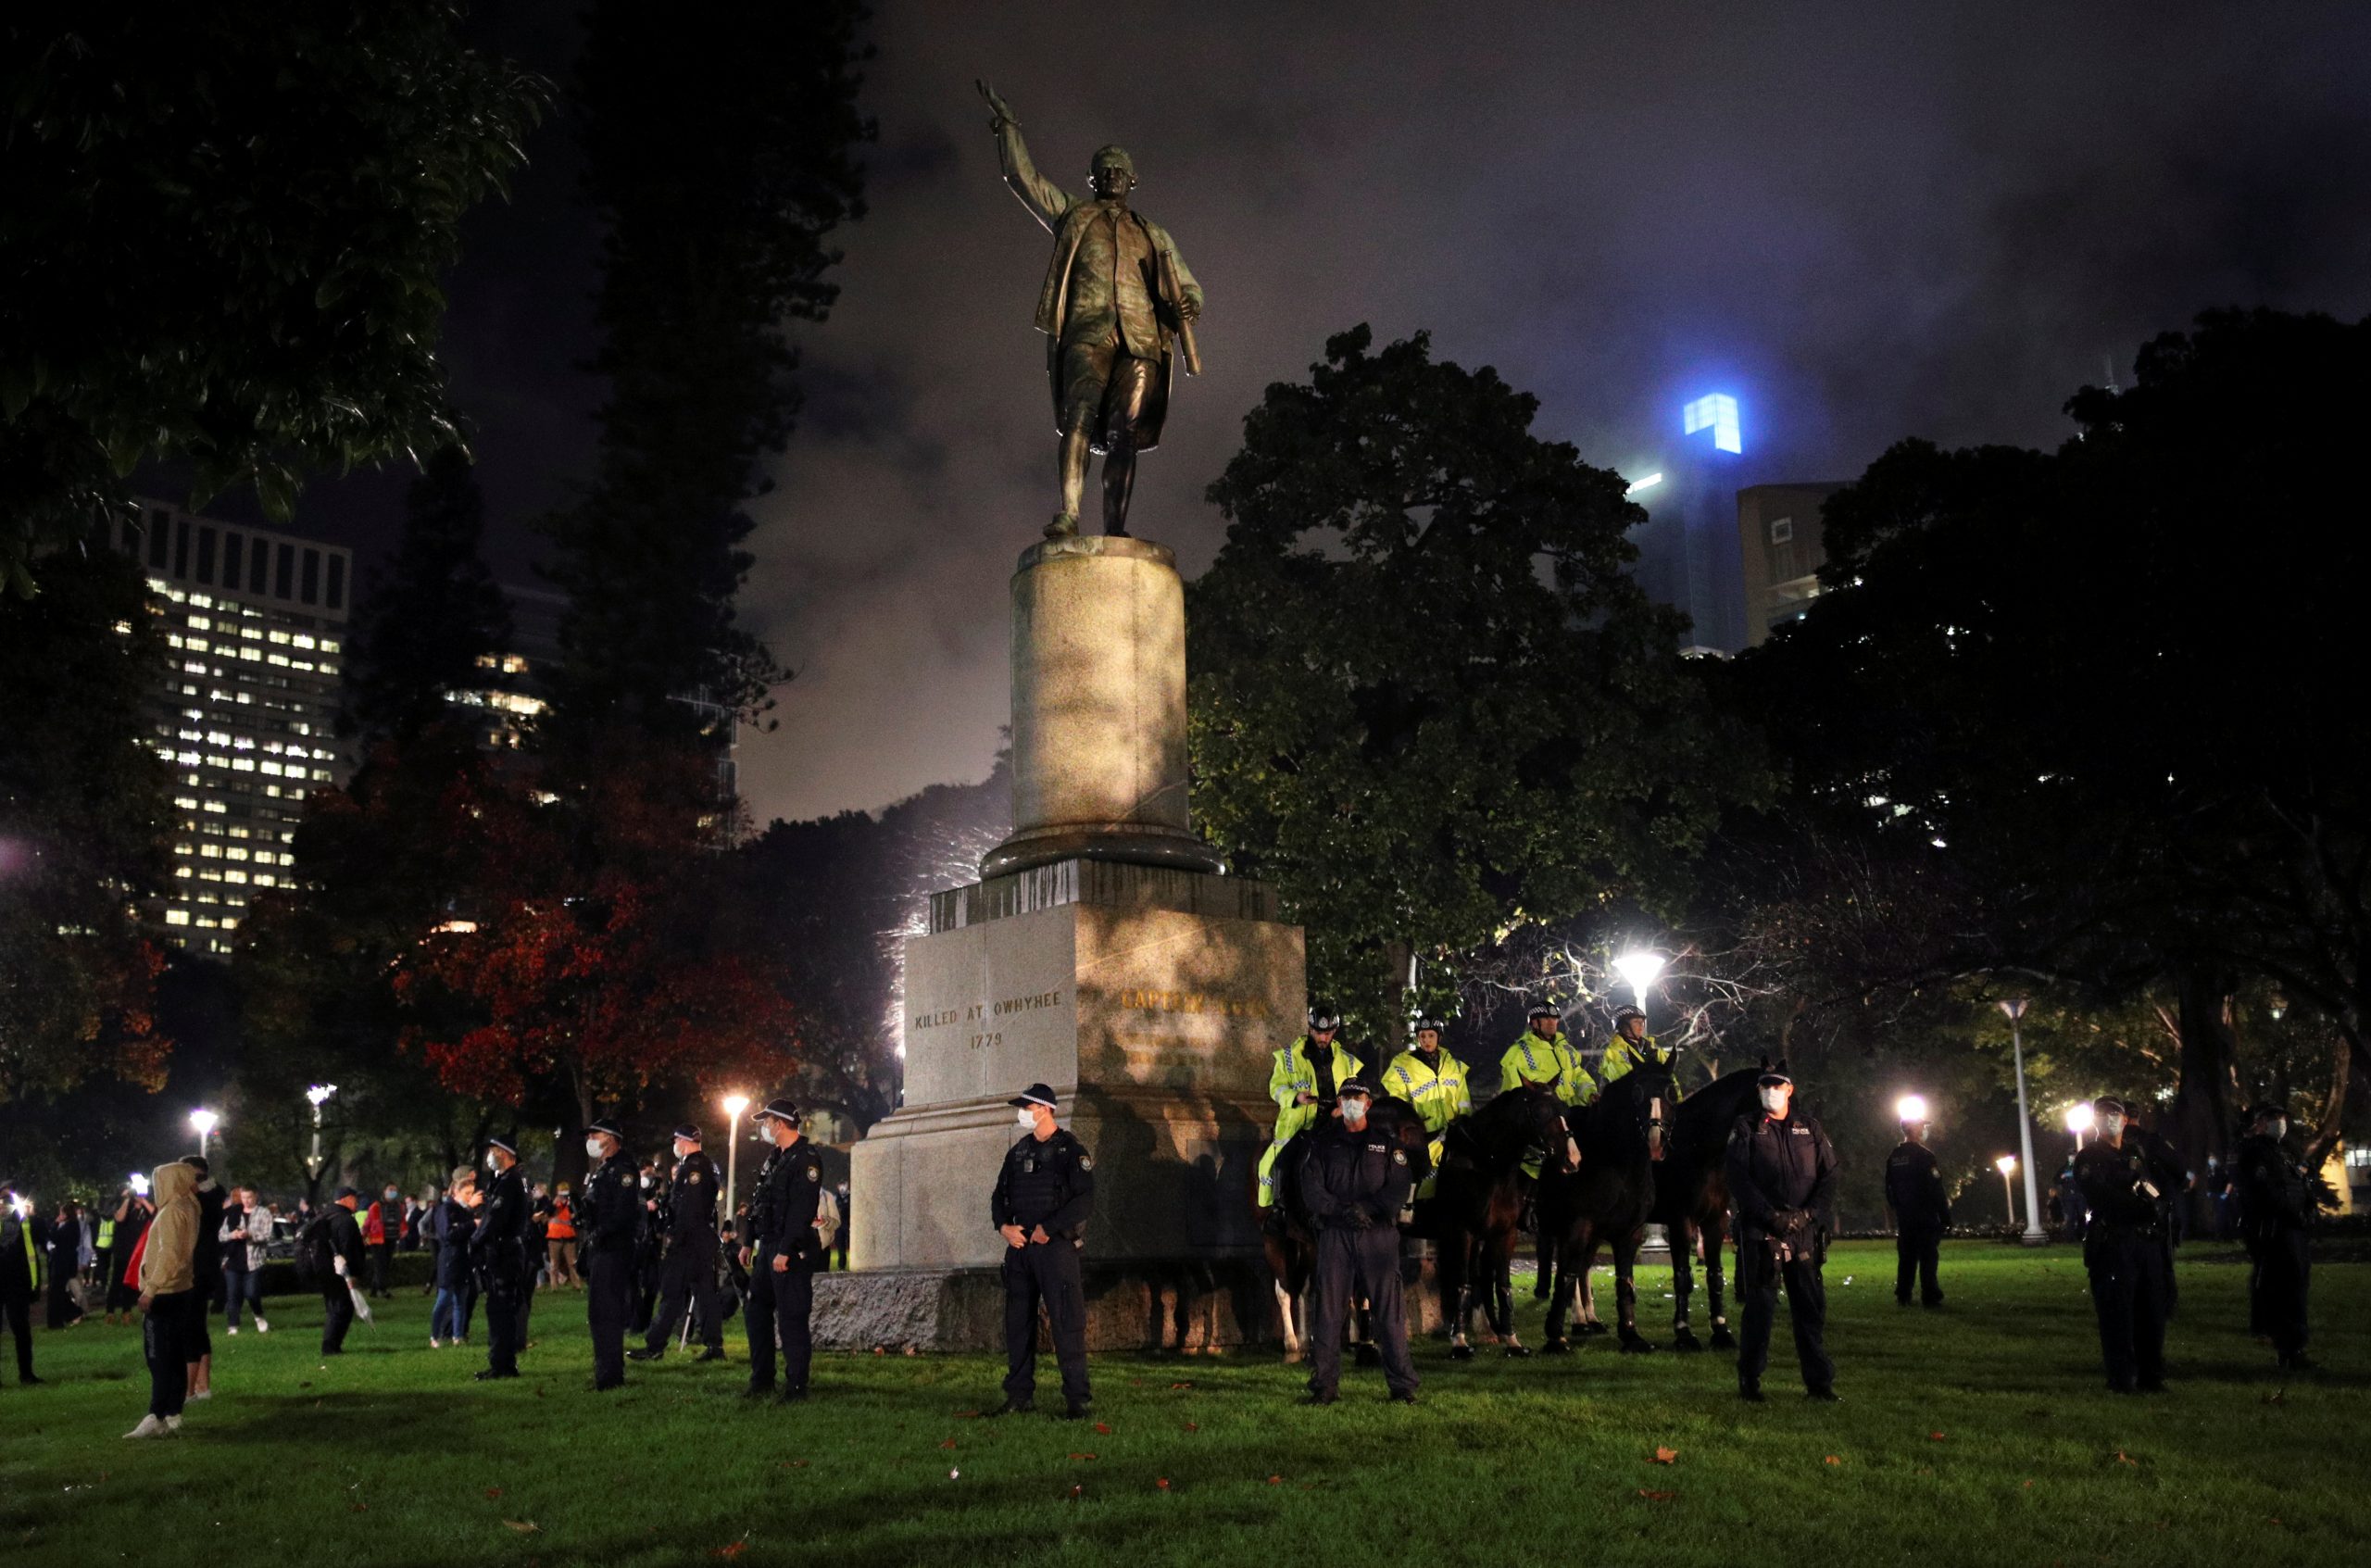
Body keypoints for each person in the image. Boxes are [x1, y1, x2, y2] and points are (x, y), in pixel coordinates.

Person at [977, 81, 1204, 541]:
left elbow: (1189, 285)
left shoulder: (1154, 234)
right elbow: (1025, 180)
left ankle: (1117, 530)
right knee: (1077, 418)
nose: (1113, 174)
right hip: (1086, 330)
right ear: (1093, 180)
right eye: (1104, 169)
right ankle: (1069, 515)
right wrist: (1008, 127)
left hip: (1140, 338)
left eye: (1121, 169)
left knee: (1126, 435)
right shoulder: (1075, 215)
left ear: (1133, 180)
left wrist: (1190, 303)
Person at [1298, 1076, 1420, 1406]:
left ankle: (1403, 1387)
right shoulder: (1322, 1144)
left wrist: (1368, 1208)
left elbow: (1398, 1188)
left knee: (1389, 1314)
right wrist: (1341, 1210)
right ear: (1339, 1104)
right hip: (1336, 1234)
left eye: (1358, 1097)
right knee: (1328, 1313)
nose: (1352, 1102)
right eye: (1346, 1097)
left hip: (1377, 1235)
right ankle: (1324, 1387)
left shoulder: (1388, 1144)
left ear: (1368, 1103)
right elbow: (1312, 1188)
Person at [1725, 1061, 1840, 1403]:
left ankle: (1819, 1384)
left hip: (1803, 1232)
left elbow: (1830, 1176)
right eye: (1765, 1086)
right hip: (1763, 1233)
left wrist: (1809, 1215)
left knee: (1810, 1309)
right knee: (1760, 1311)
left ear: (1790, 1090)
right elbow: (1738, 1177)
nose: (1770, 1091)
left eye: (1777, 1086)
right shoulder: (1745, 1127)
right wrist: (1770, 1216)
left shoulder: (1810, 1128)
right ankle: (1750, 1381)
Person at [990, 1084, 1095, 1419]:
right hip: (1020, 1251)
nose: (1022, 1112)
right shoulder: (1018, 1152)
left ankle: (1077, 1401)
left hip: (1056, 1251)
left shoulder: (1069, 1151)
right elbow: (998, 1197)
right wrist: (1004, 1227)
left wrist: (1047, 1228)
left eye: (1027, 1106)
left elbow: (1085, 1200)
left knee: (1067, 1323)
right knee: (1017, 1325)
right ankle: (1019, 1395)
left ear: (1045, 1109)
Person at [2070, 1096, 2177, 1393]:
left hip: (2146, 1243)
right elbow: (2102, 1196)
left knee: (2152, 1312)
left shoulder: (2135, 1153)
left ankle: (2151, 1375)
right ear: (2095, 1120)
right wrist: (2142, 1207)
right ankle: (2121, 1378)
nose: (2110, 1118)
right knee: (2117, 1313)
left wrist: (2159, 1205)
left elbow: (2153, 1187)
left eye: (2115, 1113)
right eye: (2103, 1113)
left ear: (2125, 1119)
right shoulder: (2089, 1157)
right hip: (2114, 1243)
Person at [742, 1100, 827, 1401]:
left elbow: (801, 1210)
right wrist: (747, 1241)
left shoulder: (806, 1159)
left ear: (779, 1123)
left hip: (789, 1250)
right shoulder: (775, 1157)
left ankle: (796, 1387)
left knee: (791, 1318)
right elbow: (759, 1201)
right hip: (767, 1246)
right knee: (756, 1312)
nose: (764, 1127)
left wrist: (786, 1249)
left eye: (766, 1122)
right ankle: (762, 1380)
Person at [631, 1124, 726, 1364]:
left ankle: (655, 1346)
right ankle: (714, 1345)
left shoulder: (694, 1167)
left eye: (676, 1140)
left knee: (672, 1293)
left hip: (688, 1240)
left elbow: (689, 1207)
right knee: (705, 1294)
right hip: (702, 1239)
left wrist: (675, 1235)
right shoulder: (707, 1164)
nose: (675, 1145)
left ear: (684, 1141)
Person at [2231, 1102, 2315, 1372]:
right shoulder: (2254, 1152)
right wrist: (2293, 1213)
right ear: (2259, 1123)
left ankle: (2294, 1347)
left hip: (2293, 1229)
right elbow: (2265, 1192)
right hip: (2275, 1230)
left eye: (2281, 1117)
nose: (2279, 1122)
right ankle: (2289, 1348)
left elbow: (2298, 1184)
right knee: (2284, 1288)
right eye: (2272, 1118)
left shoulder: (2282, 1151)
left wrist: (2309, 1210)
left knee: (2297, 1286)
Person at [1259, 1004, 1361, 1215]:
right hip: (1301, 1125)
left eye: (1327, 1033)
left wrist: (1344, 1109)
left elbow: (1357, 1093)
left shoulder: (1348, 1061)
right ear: (1309, 1029)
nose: (1322, 1038)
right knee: (1280, 1162)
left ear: (1334, 1032)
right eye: (1317, 1032)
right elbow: (1276, 1088)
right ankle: (1279, 1211)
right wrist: (1295, 1097)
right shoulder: (1289, 1057)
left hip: (1337, 1123)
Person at [126, 1160, 201, 1438]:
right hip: (182, 1289)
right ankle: (173, 1411)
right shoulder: (190, 1206)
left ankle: (156, 1414)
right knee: (176, 1353)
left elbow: (169, 1253)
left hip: (166, 1292)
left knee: (159, 1355)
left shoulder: (171, 1212)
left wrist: (151, 1288)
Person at [1382, 1015, 1471, 1202]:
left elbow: (1463, 1099)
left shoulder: (1453, 1065)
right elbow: (1398, 1102)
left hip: (1452, 1132)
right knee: (1419, 1173)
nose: (1426, 1040)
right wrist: (1411, 1124)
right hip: (1421, 1135)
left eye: (1431, 1035)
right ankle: (1413, 1210)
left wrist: (1463, 1119)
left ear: (1439, 1037)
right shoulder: (1402, 1066)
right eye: (1422, 1036)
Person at [472, 1135, 530, 1381]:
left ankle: (502, 1365)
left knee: (500, 1309)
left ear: (505, 1154)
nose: (490, 1155)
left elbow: (495, 1219)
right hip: (504, 1251)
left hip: (505, 1253)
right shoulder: (503, 1181)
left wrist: (476, 1240)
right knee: (500, 1308)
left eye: (494, 1150)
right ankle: (502, 1362)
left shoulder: (509, 1182)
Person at [1884, 1119, 1951, 1307]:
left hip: (1905, 1217)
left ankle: (1903, 1295)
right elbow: (1936, 1188)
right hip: (1925, 1215)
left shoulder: (1894, 1156)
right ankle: (1930, 1296)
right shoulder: (1925, 1156)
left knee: (1906, 1257)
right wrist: (1945, 1216)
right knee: (1928, 1257)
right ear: (1912, 1129)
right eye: (1921, 1126)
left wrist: (1898, 1208)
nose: (1923, 1129)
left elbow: (1888, 1188)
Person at [182, 1157, 223, 1401]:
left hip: (198, 1269)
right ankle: (202, 1387)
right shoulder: (212, 1195)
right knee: (197, 1326)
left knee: (191, 1327)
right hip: (203, 1268)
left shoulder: (204, 1198)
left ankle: (190, 1390)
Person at [312, 1188, 368, 1356]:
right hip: (340, 1272)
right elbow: (349, 1249)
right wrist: (352, 1274)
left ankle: (332, 1346)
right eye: (355, 1199)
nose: (357, 1203)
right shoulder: (345, 1221)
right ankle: (330, 1347)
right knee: (342, 1309)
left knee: (333, 1308)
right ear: (347, 1199)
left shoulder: (324, 1216)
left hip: (323, 1269)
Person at [431, 1167, 481, 1348]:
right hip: (450, 1261)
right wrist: (471, 1224)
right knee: (444, 1300)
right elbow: (448, 1234)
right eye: (467, 1193)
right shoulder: (446, 1209)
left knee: (461, 1300)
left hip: (464, 1261)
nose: (470, 1196)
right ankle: (435, 1335)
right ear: (456, 1192)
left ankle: (457, 1336)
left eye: (472, 1193)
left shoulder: (462, 1211)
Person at [2, 1190, 41, 1386]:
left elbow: (33, 1250)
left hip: (18, 1284)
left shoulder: (24, 1222)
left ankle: (26, 1374)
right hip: (9, 1282)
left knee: (22, 1331)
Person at [220, 1187, 270, 1335]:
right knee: (233, 1294)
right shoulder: (233, 1212)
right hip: (233, 1259)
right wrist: (232, 1235)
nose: (246, 1201)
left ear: (255, 1197)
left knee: (252, 1293)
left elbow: (266, 1235)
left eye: (249, 1197)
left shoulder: (263, 1213)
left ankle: (258, 1315)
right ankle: (233, 1325)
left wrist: (250, 1235)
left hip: (254, 1260)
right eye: (243, 1197)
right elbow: (221, 1235)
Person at [1597, 1007, 1676, 1088]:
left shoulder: (1652, 1047)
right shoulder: (1613, 1053)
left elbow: (1671, 1077)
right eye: (1636, 1022)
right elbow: (1628, 1083)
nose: (1641, 1026)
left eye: (1642, 1022)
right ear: (1623, 1026)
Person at [107, 1185, 153, 1324]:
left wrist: (143, 1201)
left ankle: (126, 1312)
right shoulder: (125, 1206)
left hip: (137, 1253)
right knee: (116, 1282)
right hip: (122, 1251)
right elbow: (119, 1218)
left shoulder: (145, 1209)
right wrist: (127, 1199)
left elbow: (155, 1214)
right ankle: (110, 1312)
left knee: (130, 1283)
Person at [45, 1198, 85, 1331]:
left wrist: (55, 1224)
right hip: (65, 1262)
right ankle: (71, 1313)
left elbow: (54, 1237)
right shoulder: (73, 1226)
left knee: (56, 1292)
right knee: (59, 1292)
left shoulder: (69, 1226)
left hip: (62, 1263)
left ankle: (65, 1316)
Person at [362, 1185, 397, 1299]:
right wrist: (365, 1237)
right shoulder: (376, 1206)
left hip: (391, 1238)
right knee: (380, 1265)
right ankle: (382, 1289)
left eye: (394, 1190)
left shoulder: (398, 1206)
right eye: (390, 1190)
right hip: (377, 1239)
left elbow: (401, 1221)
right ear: (384, 1192)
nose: (393, 1192)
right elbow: (367, 1223)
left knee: (384, 1265)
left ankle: (373, 1290)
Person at [544, 1183, 579, 1288]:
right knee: (554, 1263)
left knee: (572, 1263)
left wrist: (569, 1204)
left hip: (568, 1236)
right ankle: (554, 1286)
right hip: (554, 1236)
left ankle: (576, 1285)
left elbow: (575, 1216)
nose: (563, 1194)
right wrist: (554, 1203)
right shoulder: (552, 1203)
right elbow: (547, 1213)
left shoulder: (571, 1203)